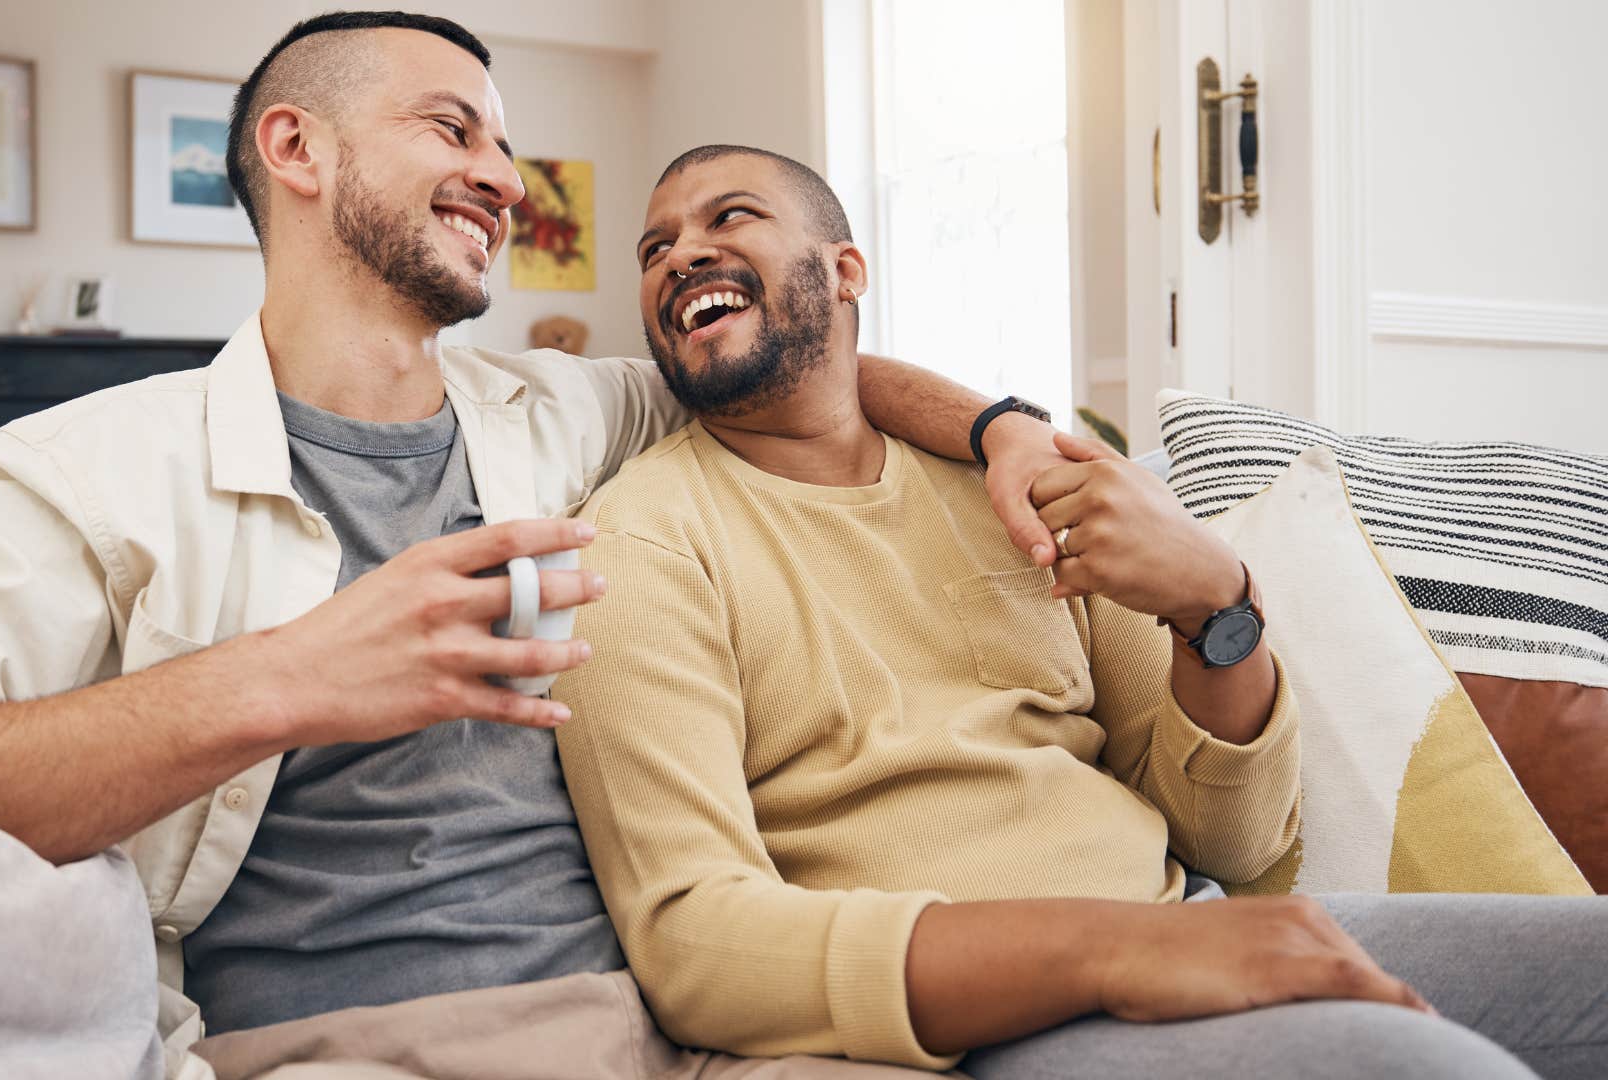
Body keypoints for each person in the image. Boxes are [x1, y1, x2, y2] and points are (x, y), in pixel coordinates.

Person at [0, 13, 1071, 1077]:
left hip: (666, 1032)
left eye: (507, 147)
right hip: (343, 1046)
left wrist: (1007, 429)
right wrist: (286, 679)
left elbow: (799, 365)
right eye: (453, 129)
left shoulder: (573, 410)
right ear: (295, 147)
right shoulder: (86, 469)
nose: (508, 179)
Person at [550, 144, 1608, 1080]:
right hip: (1012, 1012)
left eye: (727, 217)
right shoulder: (640, 544)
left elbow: (1234, 838)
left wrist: (1216, 606)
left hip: (1193, 926)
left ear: (846, 270)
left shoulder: (1013, 488)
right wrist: (1116, 950)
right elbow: (695, 943)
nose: (679, 254)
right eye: (652, 248)